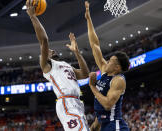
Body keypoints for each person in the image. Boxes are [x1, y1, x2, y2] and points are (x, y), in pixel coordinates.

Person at [26, 0, 90, 130]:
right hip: (66, 102)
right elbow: (44, 40)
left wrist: (77, 53)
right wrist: (33, 17)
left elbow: (85, 74)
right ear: (45, 56)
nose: (52, 50)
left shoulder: (65, 65)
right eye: (48, 51)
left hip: (77, 102)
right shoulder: (48, 67)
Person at [84, 1, 130, 131]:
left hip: (115, 126)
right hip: (105, 124)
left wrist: (92, 86)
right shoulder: (105, 70)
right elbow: (95, 45)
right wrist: (88, 19)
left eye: (110, 61)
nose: (107, 61)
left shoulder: (118, 80)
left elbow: (108, 104)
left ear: (117, 68)